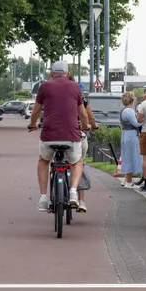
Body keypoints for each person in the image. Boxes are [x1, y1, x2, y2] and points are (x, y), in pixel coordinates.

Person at [28, 61, 90, 212]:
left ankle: (43, 198)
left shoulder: (45, 86)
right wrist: (85, 125)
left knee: (43, 161)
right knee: (76, 162)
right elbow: (82, 113)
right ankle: (74, 192)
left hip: (49, 135)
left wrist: (32, 123)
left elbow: (36, 110)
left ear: (52, 74)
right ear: (68, 74)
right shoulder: (75, 87)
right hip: (71, 135)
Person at [68, 74, 99, 212]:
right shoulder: (81, 98)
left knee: (56, 161)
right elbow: (88, 116)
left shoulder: (54, 97)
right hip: (77, 136)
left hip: (57, 135)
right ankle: (80, 201)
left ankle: (55, 190)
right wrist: (92, 125)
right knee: (79, 163)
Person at [119, 91, 142, 188]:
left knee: (126, 155)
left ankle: (126, 179)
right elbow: (136, 124)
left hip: (125, 134)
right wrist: (144, 122)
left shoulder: (123, 110)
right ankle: (129, 181)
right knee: (131, 157)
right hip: (131, 135)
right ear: (132, 100)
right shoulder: (129, 111)